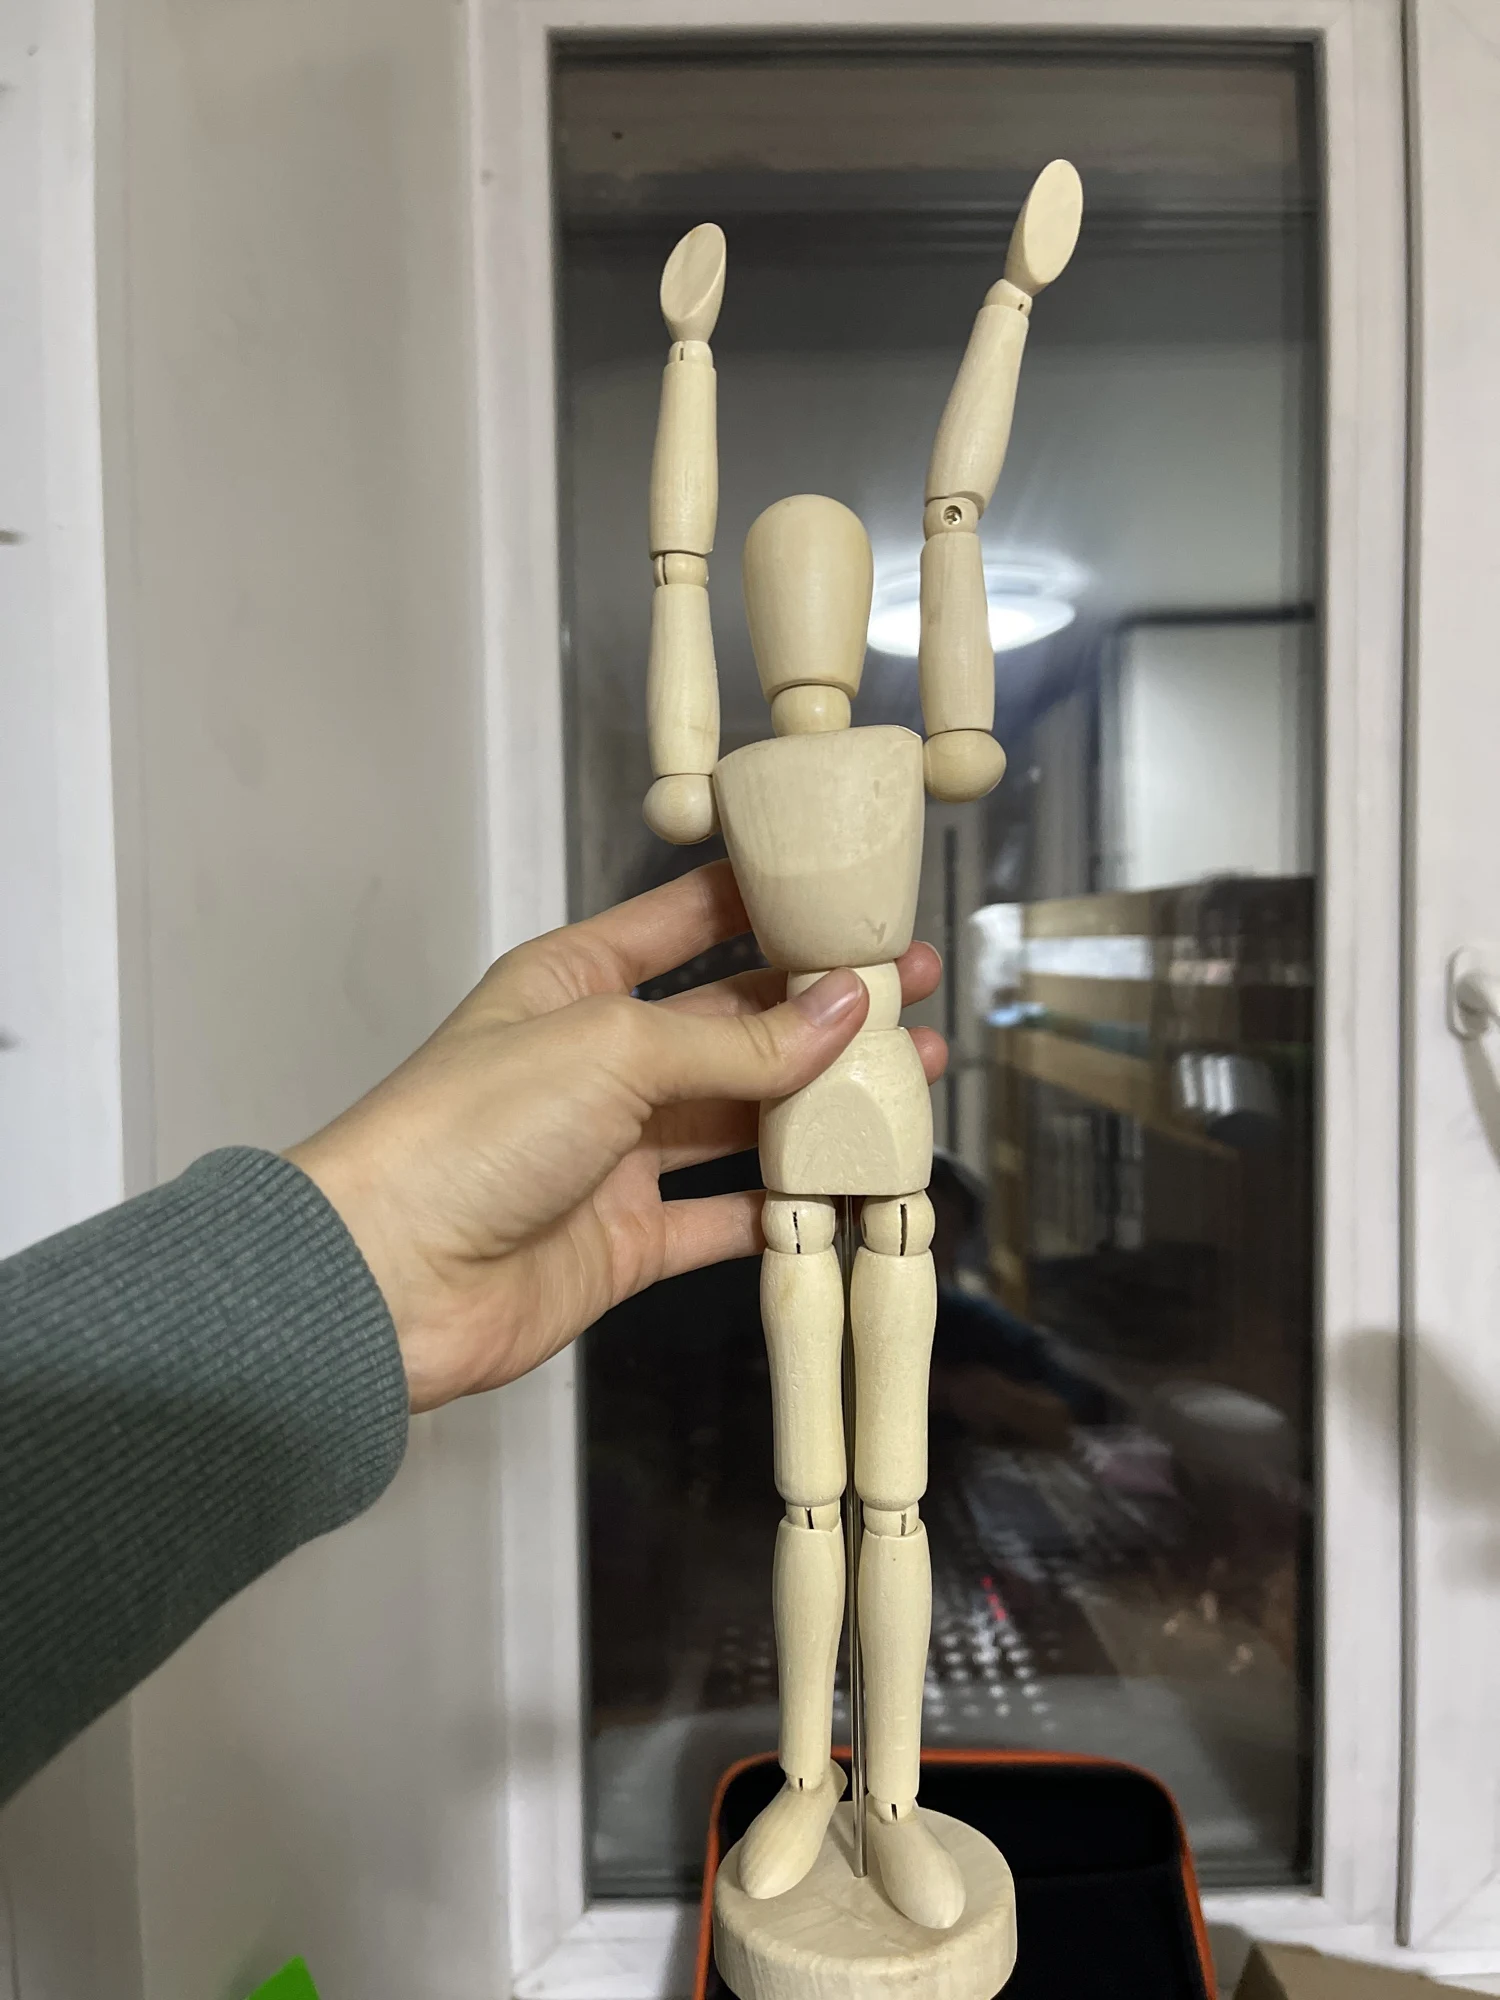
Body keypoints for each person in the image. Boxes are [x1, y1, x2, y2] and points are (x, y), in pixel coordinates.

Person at [0, 861, 945, 1805]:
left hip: (852, 1211)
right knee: (812, 1506)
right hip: (760, 1286)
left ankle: (891, 1799)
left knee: (884, 1508)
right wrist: (374, 1261)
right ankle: (808, 1782)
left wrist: (366, 1268)